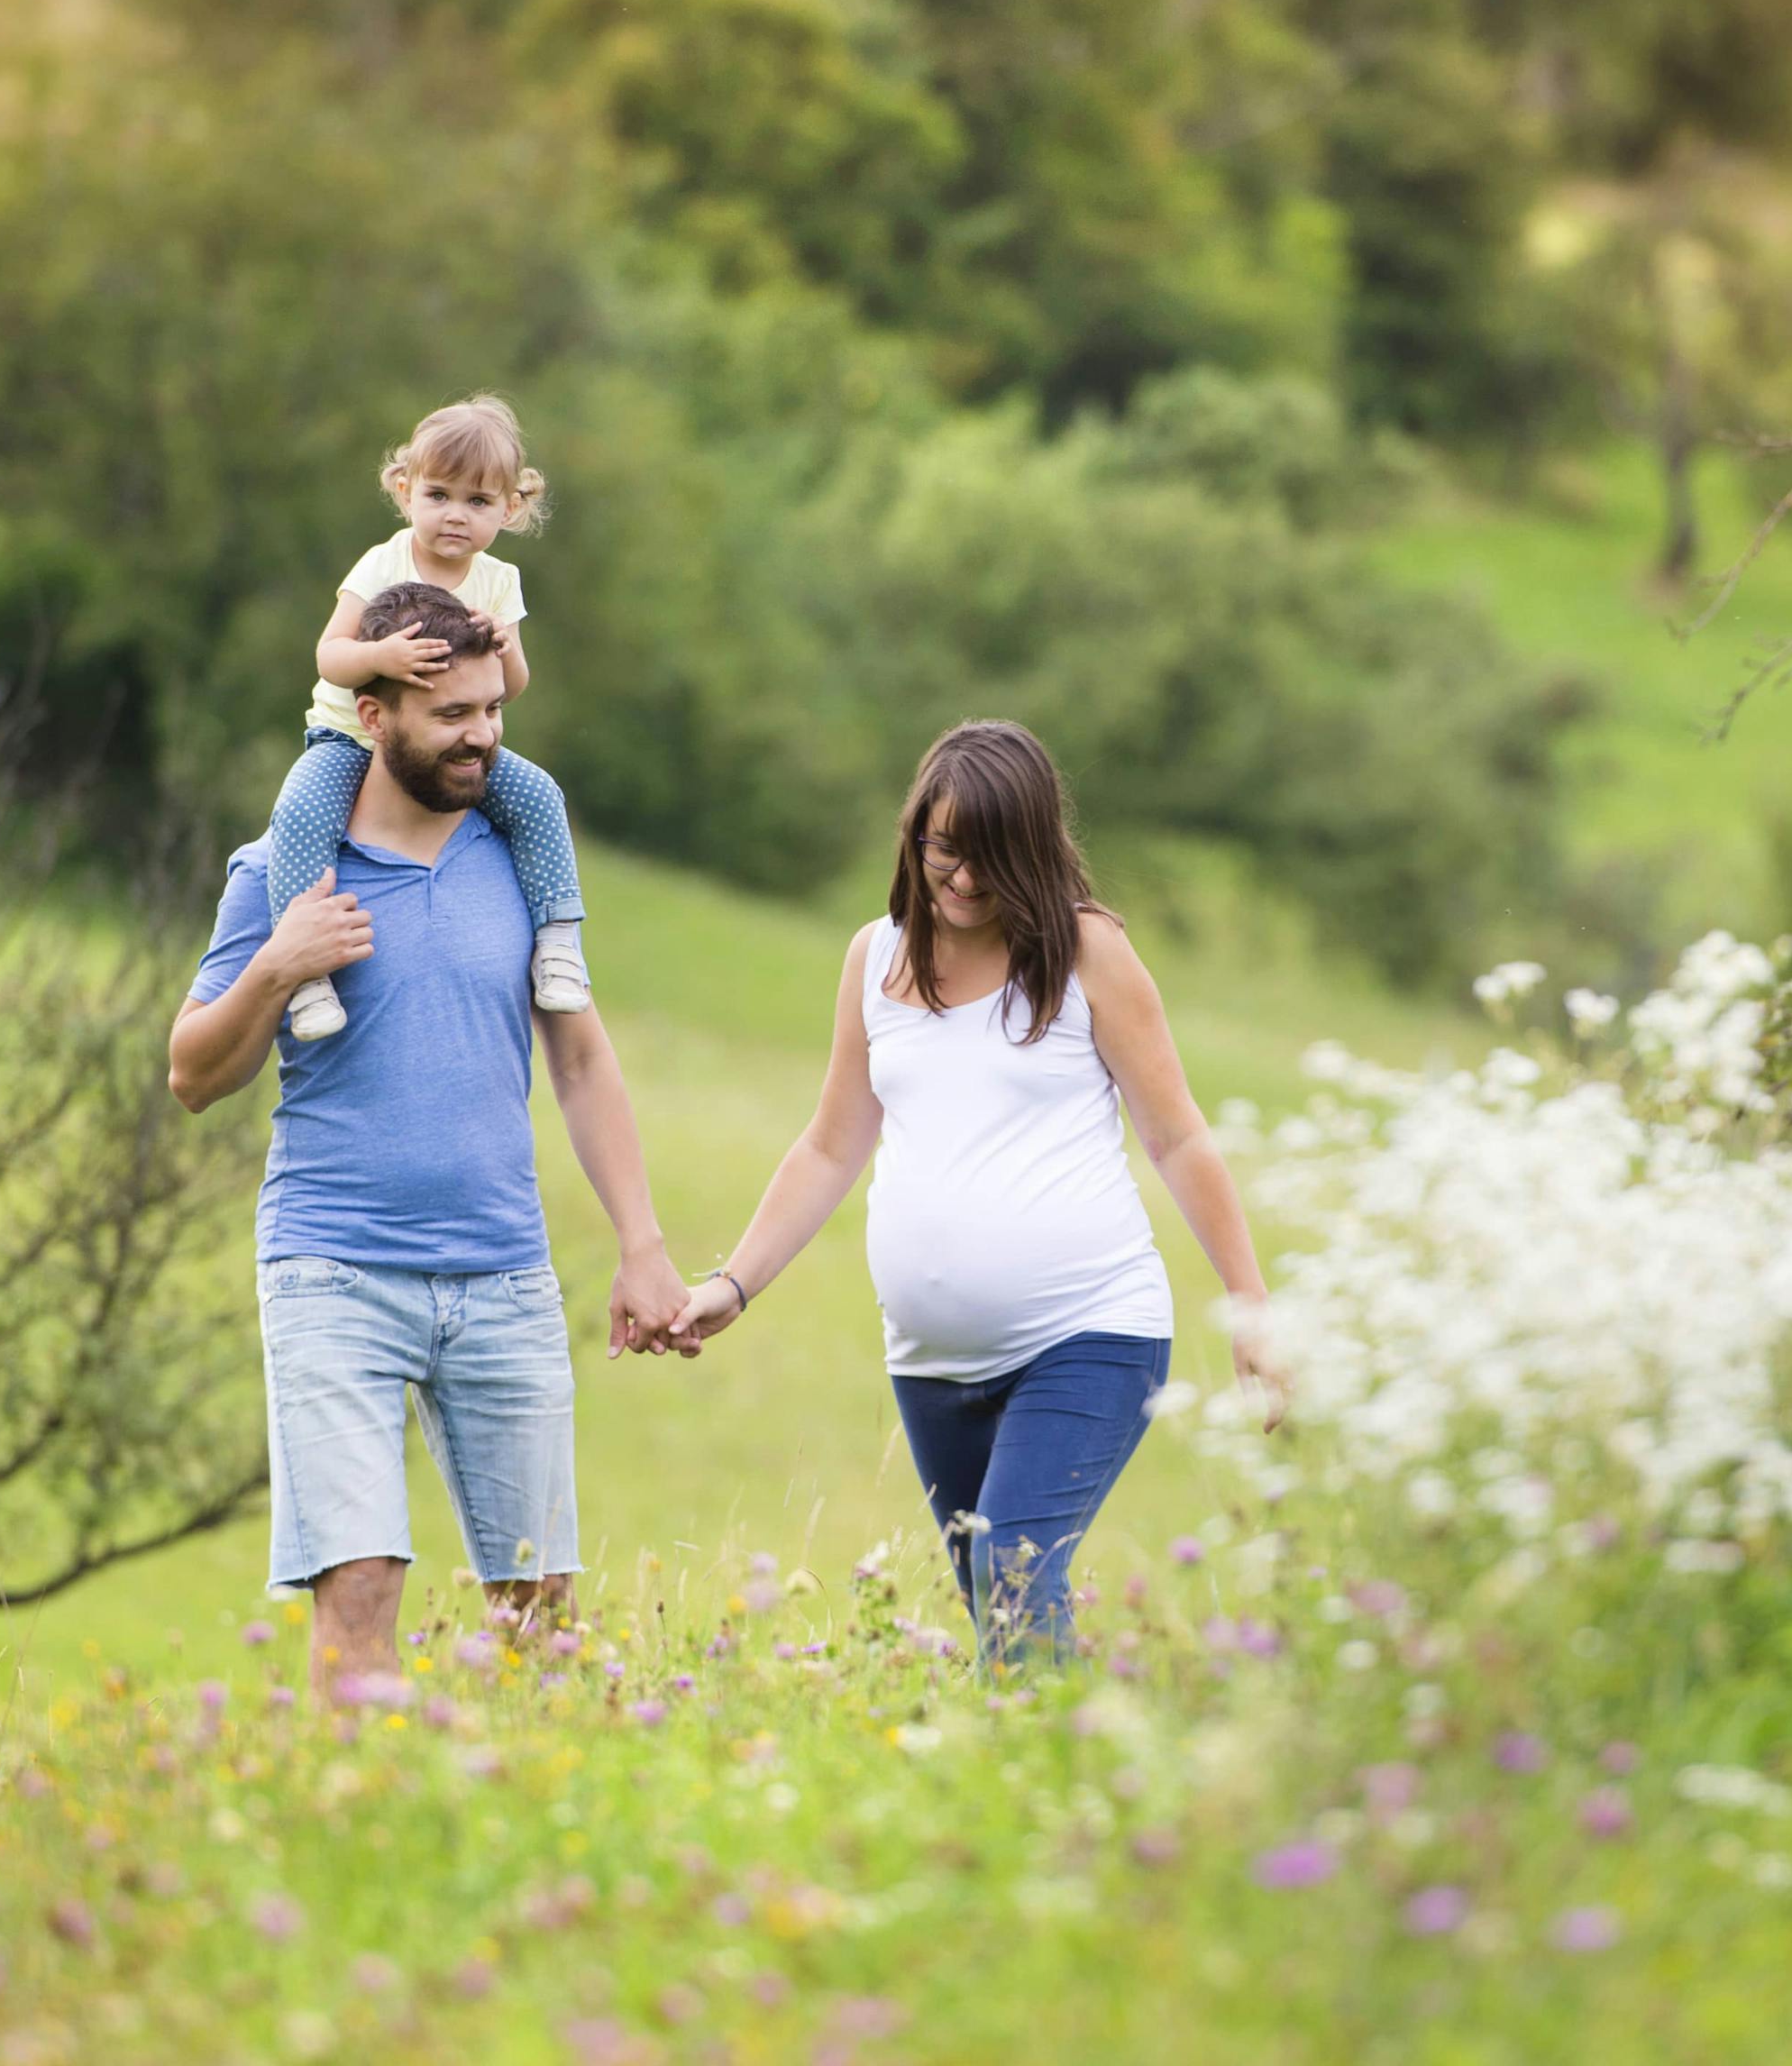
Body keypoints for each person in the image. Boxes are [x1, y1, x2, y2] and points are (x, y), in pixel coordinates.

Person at [659, 720, 1278, 1659]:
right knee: (998, 1613)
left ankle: (1067, 1785)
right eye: (943, 850)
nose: (960, 879)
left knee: (1017, 1566)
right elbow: (830, 1146)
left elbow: (1178, 1135)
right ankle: (1066, 1771)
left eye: (987, 859)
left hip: (1091, 1329)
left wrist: (1251, 1308)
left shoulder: (1085, 954)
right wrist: (731, 1287)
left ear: (1029, 852)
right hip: (930, 1362)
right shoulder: (875, 957)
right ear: (916, 837)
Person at [170, 580, 691, 1685]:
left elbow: (583, 1056)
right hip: (333, 1272)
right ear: (374, 712)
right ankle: (364, 1830)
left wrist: (642, 1242)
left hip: (504, 1275)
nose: (483, 738)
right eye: (452, 716)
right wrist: (277, 964)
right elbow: (191, 1072)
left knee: (541, 1614)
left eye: (492, 710)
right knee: (358, 1591)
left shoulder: (518, 861)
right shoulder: (279, 872)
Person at [268, 394, 590, 1044]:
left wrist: (504, 646)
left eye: (478, 502)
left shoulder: (500, 581)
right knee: (302, 814)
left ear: (511, 508)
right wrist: (380, 655)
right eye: (438, 495)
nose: (454, 515)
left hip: (451, 744)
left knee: (538, 797)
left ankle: (558, 939)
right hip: (351, 737)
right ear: (404, 490)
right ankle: (305, 978)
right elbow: (330, 656)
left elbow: (516, 686)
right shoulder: (384, 563)